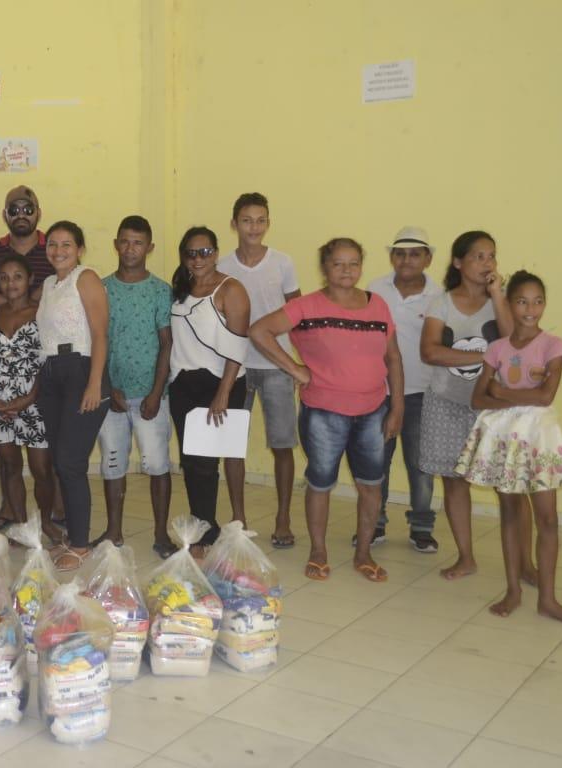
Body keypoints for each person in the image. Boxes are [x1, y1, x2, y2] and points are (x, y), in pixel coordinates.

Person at [250, 238, 404, 583]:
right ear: (325, 268)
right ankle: (318, 551)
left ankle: (363, 553)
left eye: (353, 263)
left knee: (371, 486)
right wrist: (295, 369)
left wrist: (398, 407)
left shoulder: (377, 305)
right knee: (320, 484)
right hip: (323, 413)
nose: (347, 270)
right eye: (338, 263)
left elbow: (392, 356)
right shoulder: (306, 307)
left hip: (373, 411)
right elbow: (259, 331)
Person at [457, 271, 562, 626]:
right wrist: (499, 395)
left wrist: (502, 392)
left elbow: (545, 396)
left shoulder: (554, 345)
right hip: (502, 436)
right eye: (523, 301)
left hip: (539, 436)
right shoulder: (497, 348)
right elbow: (478, 397)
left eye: (538, 301)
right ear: (509, 304)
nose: (531, 308)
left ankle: (549, 600)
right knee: (510, 513)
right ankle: (513, 589)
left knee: (549, 519)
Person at [418, 231, 516, 580]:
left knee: (506, 484)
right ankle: (466, 557)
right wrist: (485, 355)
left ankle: (523, 564)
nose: (487, 263)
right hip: (446, 402)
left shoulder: (499, 302)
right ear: (458, 262)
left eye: (491, 256)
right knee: (455, 481)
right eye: (478, 256)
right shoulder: (440, 303)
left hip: (491, 405)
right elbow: (430, 351)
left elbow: (511, 344)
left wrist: (498, 295)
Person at [217, 193, 300, 548]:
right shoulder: (221, 266)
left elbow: (298, 317)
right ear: (235, 223)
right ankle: (238, 518)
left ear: (268, 223)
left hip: (277, 366)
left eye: (261, 220)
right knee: (232, 444)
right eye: (247, 220)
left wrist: (298, 364)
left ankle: (283, 517)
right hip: (234, 368)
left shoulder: (283, 263)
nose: (254, 227)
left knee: (283, 444)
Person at [167, 227, 250, 559]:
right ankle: (203, 528)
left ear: (215, 253)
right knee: (192, 462)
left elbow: (237, 348)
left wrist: (223, 393)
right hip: (183, 383)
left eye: (204, 252)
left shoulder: (231, 289)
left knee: (207, 463)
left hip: (220, 383)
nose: (198, 259)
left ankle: (208, 532)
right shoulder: (180, 289)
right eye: (191, 253)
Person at [358, 227, 443, 552]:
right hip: (378, 392)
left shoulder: (440, 295)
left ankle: (421, 528)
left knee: (420, 466)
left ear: (428, 258)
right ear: (392, 256)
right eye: (400, 253)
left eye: (415, 253)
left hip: (423, 393)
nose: (406, 260)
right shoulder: (375, 289)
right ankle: (375, 524)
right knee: (376, 461)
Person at [35, 221, 110, 572]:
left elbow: (99, 334)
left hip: (81, 371)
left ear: (79, 249)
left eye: (67, 244)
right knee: (60, 460)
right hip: (51, 374)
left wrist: (94, 384)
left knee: (70, 461)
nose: (59, 250)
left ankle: (81, 545)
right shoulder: (50, 284)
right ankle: (73, 536)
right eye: (52, 244)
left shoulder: (86, 277)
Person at [95, 216, 173, 553]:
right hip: (112, 395)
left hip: (151, 396)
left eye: (138, 242)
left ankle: (160, 534)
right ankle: (113, 531)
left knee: (157, 463)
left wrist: (156, 392)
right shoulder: (101, 289)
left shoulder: (160, 291)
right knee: (112, 462)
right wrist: (108, 386)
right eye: (125, 241)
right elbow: (96, 340)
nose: (130, 248)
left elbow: (167, 343)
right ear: (116, 244)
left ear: (149, 247)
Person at [0, 255, 58, 540]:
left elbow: (47, 360)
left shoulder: (42, 313)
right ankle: (22, 524)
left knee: (41, 469)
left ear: (30, 280)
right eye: (4, 278)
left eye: (17, 276)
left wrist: (28, 398)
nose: (10, 283)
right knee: (10, 465)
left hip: (34, 400)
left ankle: (46, 521)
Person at [0, 186, 54, 308]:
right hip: (0, 325)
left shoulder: (55, 252)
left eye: (28, 210)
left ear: (38, 214)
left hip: (48, 326)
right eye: (13, 210)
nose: (21, 216)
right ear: (4, 215)